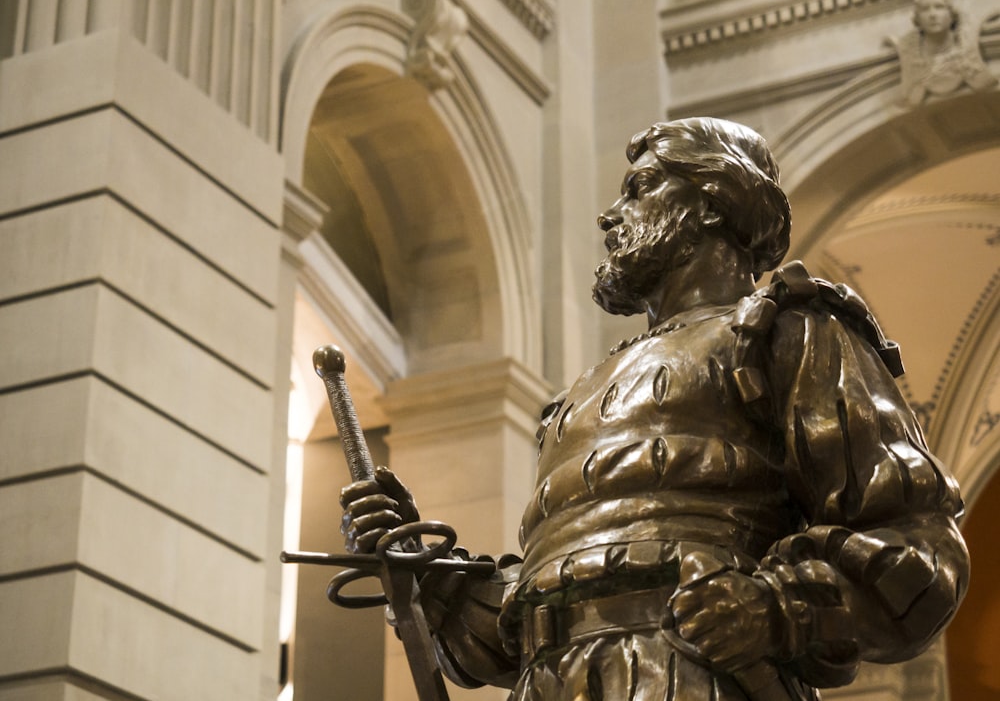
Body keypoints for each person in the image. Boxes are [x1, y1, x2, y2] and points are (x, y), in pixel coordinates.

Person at [341, 117, 969, 700]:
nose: (611, 217)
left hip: (698, 674)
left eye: (639, 189)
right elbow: (535, 609)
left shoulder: (789, 330)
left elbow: (919, 545)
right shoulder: (576, 396)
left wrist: (777, 607)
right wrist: (427, 576)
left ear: (710, 202)